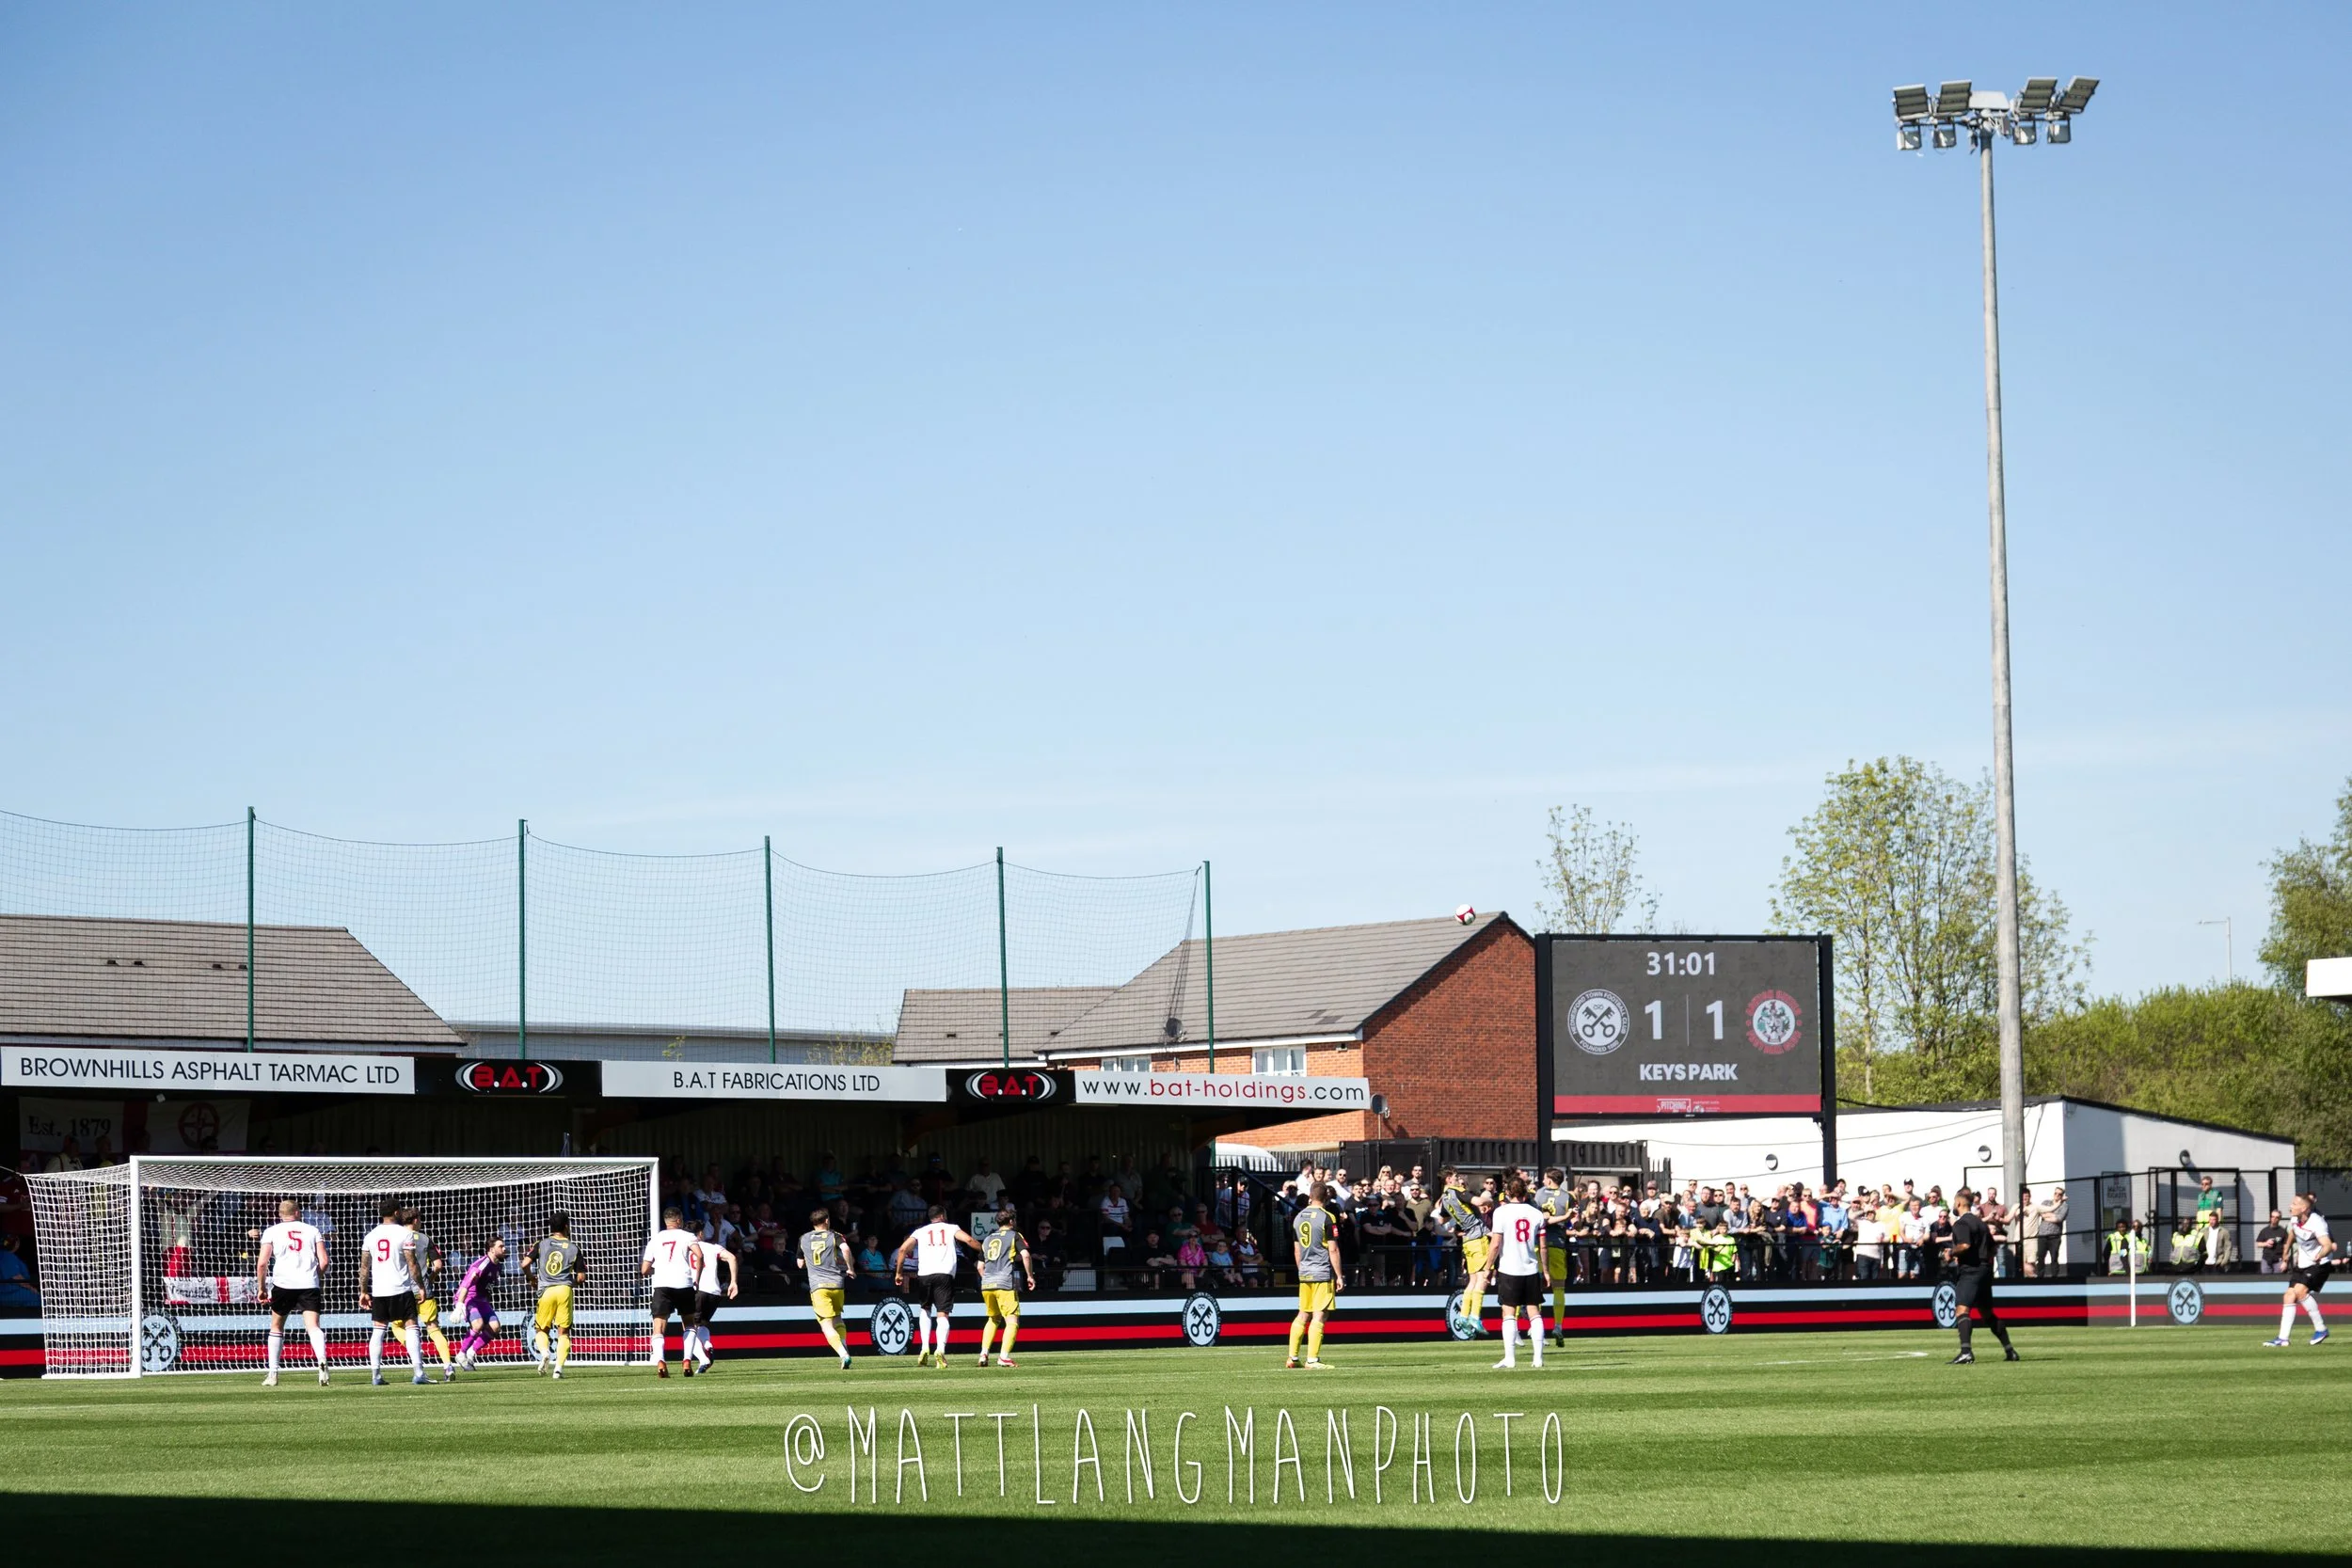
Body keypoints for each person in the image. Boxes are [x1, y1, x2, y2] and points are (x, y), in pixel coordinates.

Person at [255, 1198, 330, 1387]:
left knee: (277, 1327)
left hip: (283, 1284)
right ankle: (321, 1360)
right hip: (308, 1283)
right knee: (313, 1326)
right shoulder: (312, 1230)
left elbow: (262, 1263)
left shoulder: (271, 1231)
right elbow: (324, 1261)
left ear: (280, 1215)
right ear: (297, 1212)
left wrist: (262, 1288)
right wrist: (315, 1276)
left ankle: (273, 1374)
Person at [893, 1204, 979, 1369]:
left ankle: (924, 1347)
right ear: (943, 1215)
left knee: (925, 1309)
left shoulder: (920, 1231)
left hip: (924, 1274)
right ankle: (940, 1350)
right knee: (943, 1313)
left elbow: (903, 1249)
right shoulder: (951, 1228)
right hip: (944, 1274)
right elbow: (969, 1240)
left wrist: (898, 1273)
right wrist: (984, 1252)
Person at [358, 1197, 430, 1386]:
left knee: (378, 1330)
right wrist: (421, 1287)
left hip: (380, 1291)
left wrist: (363, 1291)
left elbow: (364, 1268)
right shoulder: (404, 1234)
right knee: (412, 1327)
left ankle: (376, 1374)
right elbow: (412, 1263)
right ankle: (419, 1372)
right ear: (397, 1212)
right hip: (402, 1289)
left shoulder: (370, 1236)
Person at [1945, 1189, 2017, 1365]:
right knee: (1987, 1314)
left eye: (1955, 1202)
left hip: (1970, 1271)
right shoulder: (1981, 1223)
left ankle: (1966, 1352)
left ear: (1960, 1203)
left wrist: (1950, 1252)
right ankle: (2010, 1350)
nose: (1954, 1205)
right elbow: (1992, 1247)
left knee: (1962, 1310)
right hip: (1985, 1270)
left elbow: (1964, 1245)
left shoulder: (1961, 1223)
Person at [1487, 1177, 1552, 1370]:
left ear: (1507, 1193)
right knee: (1534, 1311)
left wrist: (1488, 1267)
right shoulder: (1536, 1214)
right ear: (1525, 1192)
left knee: (1508, 1311)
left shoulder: (1500, 1212)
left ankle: (1510, 1358)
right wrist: (1546, 1271)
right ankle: (1538, 1358)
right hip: (1530, 1268)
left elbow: (1496, 1243)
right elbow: (1543, 1247)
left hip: (1509, 1268)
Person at [2264, 1192, 2335, 1348]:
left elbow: (2328, 1245)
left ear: (2303, 1208)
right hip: (2303, 1263)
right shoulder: (2295, 1219)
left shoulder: (2317, 1222)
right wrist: (2286, 1251)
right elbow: (2292, 1233)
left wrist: (2320, 1254)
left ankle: (2321, 1329)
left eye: (2294, 1204)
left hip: (2320, 1263)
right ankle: (2283, 1338)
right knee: (2289, 1295)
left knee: (2300, 1292)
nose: (2291, 1206)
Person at [639, 1207, 703, 1379]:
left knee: (658, 1326)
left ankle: (660, 1361)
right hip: (684, 1283)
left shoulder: (656, 1239)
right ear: (679, 1221)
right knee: (689, 1324)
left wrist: (657, 1270)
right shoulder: (688, 1236)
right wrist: (697, 1277)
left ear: (666, 1222)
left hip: (662, 1285)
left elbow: (644, 1270)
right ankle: (687, 1360)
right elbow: (699, 1255)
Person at [1285, 1183, 1343, 1370]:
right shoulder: (1327, 1217)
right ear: (1326, 1197)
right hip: (1322, 1271)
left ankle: (1292, 1357)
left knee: (1303, 1314)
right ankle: (1312, 1359)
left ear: (1310, 1196)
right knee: (1320, 1315)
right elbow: (1333, 1249)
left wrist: (1302, 1270)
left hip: (1305, 1272)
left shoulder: (1298, 1217)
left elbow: (1296, 1250)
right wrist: (1339, 1275)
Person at [400, 1208, 456, 1380]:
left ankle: (414, 1348)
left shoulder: (397, 1236)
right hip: (424, 1289)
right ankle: (448, 1366)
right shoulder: (425, 1239)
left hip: (403, 1289)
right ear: (415, 1220)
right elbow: (438, 1265)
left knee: (397, 1326)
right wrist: (430, 1278)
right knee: (433, 1328)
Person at [527, 1212, 585, 1376]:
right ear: (567, 1226)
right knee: (563, 1332)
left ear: (551, 1227)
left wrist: (531, 1278)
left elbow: (524, 1263)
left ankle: (545, 1352)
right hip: (564, 1291)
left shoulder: (542, 1244)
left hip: (546, 1291)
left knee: (541, 1329)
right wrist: (570, 1282)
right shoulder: (574, 1248)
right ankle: (558, 1369)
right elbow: (581, 1277)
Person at [976, 1210, 1035, 1367]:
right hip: (1005, 1283)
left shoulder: (987, 1239)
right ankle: (1003, 1357)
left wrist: (989, 1280)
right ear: (1011, 1222)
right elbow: (1026, 1255)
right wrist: (1030, 1276)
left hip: (987, 1284)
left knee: (993, 1319)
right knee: (1012, 1320)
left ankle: (983, 1354)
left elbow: (980, 1267)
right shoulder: (1015, 1235)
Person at [1437, 1168, 1491, 1336]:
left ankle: (1463, 1316)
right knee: (1483, 1278)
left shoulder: (1444, 1198)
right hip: (1478, 1236)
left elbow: (1442, 1218)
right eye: (1455, 1177)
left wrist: (1462, 1214)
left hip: (1467, 1239)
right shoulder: (1458, 1191)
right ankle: (1475, 1315)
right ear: (1448, 1179)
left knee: (1472, 1281)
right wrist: (1490, 1201)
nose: (1458, 1180)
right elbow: (1479, 1201)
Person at [450, 1237, 507, 1376]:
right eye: (501, 1246)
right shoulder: (482, 1264)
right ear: (492, 1249)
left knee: (495, 1327)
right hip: (469, 1298)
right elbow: (465, 1285)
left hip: (481, 1301)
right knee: (478, 1324)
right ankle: (461, 1354)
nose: (504, 1249)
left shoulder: (498, 1265)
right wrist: (459, 1306)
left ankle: (471, 1352)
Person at [684, 1233, 739, 1374]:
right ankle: (707, 1344)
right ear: (701, 1233)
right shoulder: (713, 1247)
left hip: (697, 1290)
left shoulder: (685, 1247)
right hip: (714, 1292)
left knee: (688, 1327)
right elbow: (732, 1257)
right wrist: (733, 1282)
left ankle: (703, 1359)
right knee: (703, 1323)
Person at [2257, 1210, 2289, 1275]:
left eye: (2276, 1217)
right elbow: (2258, 1244)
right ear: (2270, 1217)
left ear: (2280, 1219)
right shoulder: (2264, 1231)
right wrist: (2266, 1243)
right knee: (2266, 1281)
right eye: (2272, 1216)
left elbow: (2286, 1248)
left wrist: (2285, 1262)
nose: (2274, 1219)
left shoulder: (2283, 1231)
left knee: (2278, 1281)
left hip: (2278, 1261)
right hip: (2266, 1260)